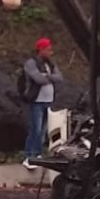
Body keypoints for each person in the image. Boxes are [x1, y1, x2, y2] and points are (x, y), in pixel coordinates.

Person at [21, 37, 63, 170]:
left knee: (44, 130)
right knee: (35, 129)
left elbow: (59, 77)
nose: (51, 52)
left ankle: (38, 154)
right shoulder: (31, 63)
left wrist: (47, 76)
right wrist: (47, 77)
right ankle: (29, 156)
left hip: (48, 100)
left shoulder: (50, 63)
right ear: (41, 49)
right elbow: (38, 79)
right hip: (36, 101)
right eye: (48, 49)